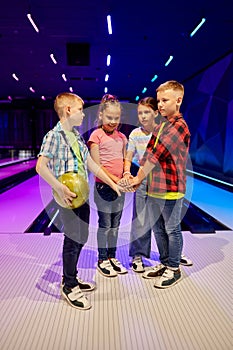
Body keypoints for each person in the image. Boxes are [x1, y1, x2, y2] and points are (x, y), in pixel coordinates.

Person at [36, 92, 123, 310]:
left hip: (81, 197)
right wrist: (59, 187)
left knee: (82, 236)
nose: (84, 115)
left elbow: (92, 165)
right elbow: (40, 166)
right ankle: (69, 286)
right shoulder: (53, 136)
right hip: (67, 198)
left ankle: (69, 277)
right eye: (80, 110)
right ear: (68, 111)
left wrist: (113, 184)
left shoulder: (76, 136)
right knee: (73, 239)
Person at [126, 81, 191, 288]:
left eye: (165, 100)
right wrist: (140, 179)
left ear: (178, 100)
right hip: (154, 187)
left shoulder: (179, 126)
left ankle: (174, 268)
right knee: (159, 229)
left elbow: (157, 153)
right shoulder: (162, 124)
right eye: (160, 100)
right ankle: (165, 263)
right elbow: (147, 154)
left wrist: (137, 178)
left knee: (172, 229)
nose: (160, 105)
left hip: (171, 187)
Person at [88, 94, 128, 277]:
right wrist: (115, 181)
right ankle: (102, 259)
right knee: (105, 225)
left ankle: (112, 257)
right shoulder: (96, 136)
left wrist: (127, 176)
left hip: (119, 189)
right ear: (101, 116)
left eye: (116, 118)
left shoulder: (122, 138)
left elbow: (126, 161)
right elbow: (97, 168)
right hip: (104, 188)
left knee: (115, 225)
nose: (113, 121)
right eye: (109, 117)